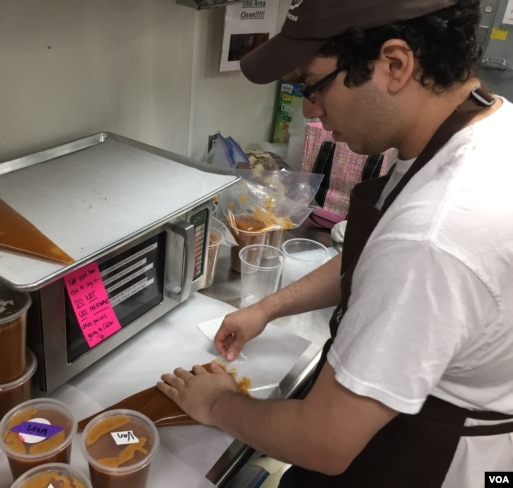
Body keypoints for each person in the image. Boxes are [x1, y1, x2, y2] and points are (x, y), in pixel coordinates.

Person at [156, 0, 513, 486]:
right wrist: (267, 309)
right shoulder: (479, 124)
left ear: (395, 64)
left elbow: (323, 441)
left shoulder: (436, 231)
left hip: (425, 460)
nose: (309, 108)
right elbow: (371, 255)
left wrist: (217, 402)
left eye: (313, 84)